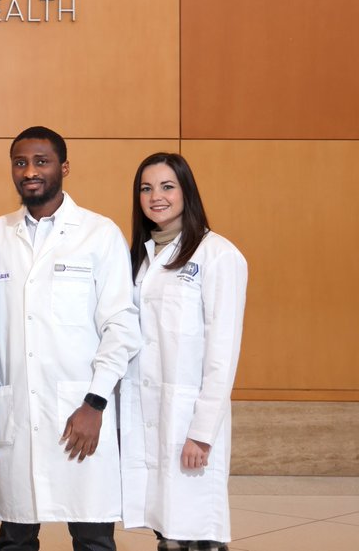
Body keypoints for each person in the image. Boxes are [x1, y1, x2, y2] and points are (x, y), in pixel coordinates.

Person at [0, 126, 141, 551]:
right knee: (15, 535)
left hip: (78, 410)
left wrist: (96, 402)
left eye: (41, 161)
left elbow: (120, 327)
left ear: (64, 167)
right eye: (21, 162)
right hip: (16, 411)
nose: (30, 171)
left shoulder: (98, 234)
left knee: (92, 536)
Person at [119, 154, 247, 550]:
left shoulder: (219, 255)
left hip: (188, 419)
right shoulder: (141, 257)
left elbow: (222, 353)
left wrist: (202, 432)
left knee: (197, 526)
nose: (156, 196)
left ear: (186, 191)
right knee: (168, 529)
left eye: (167, 186)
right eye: (146, 188)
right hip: (148, 413)